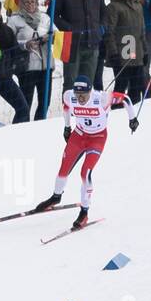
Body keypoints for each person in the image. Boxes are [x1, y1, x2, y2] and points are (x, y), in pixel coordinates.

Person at [33, 75, 136, 228]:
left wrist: (132, 119)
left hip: (97, 138)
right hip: (79, 135)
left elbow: (126, 99)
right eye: (77, 94)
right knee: (64, 168)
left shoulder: (102, 98)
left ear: (90, 91)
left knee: (85, 173)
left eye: (84, 94)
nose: (80, 98)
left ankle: (84, 212)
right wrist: (67, 127)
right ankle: (56, 197)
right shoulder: (69, 96)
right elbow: (66, 107)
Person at [54, 0, 105, 90]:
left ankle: (84, 111)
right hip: (71, 43)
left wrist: (100, 29)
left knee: (87, 83)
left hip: (92, 43)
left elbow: (103, 11)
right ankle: (69, 111)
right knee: (71, 83)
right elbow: (52, 14)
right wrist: (69, 29)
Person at [0, 0, 29, 124]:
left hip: (6, 77)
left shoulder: (7, 30)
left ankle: (14, 136)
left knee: (23, 109)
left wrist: (14, 64)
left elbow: (16, 52)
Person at [104, 0, 147, 102]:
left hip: (137, 53)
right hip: (122, 54)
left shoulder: (138, 5)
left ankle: (133, 113)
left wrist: (145, 51)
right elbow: (109, 31)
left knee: (137, 86)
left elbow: (142, 30)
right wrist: (113, 53)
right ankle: (116, 112)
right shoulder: (114, 6)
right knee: (121, 86)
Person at [8, 0, 50, 118]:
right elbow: (9, 42)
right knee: (26, 104)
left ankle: (39, 126)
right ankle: (22, 128)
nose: (30, 5)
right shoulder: (14, 20)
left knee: (45, 103)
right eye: (26, 2)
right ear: (21, 3)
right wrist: (25, 45)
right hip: (26, 68)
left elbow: (56, 33)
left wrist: (50, 37)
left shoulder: (46, 18)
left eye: (32, 1)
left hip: (45, 66)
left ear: (37, 2)